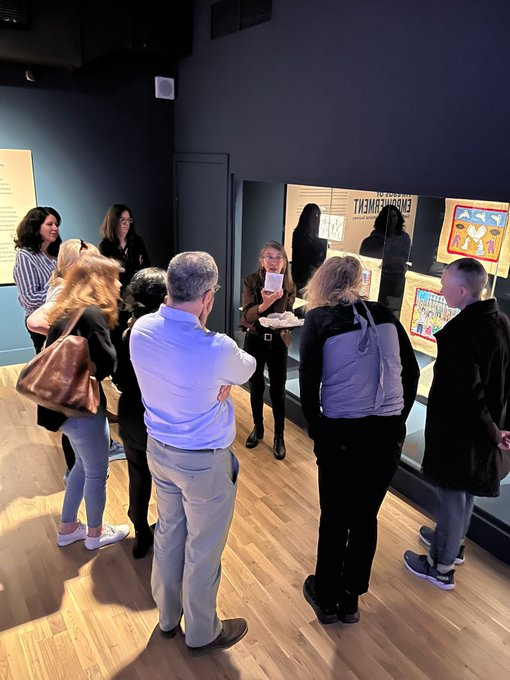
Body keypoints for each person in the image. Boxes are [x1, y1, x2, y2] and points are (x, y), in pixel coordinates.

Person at [130, 251, 256, 655]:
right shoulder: (216, 347)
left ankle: (168, 618)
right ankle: (202, 631)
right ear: (207, 298)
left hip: (159, 452)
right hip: (203, 463)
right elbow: (248, 366)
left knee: (169, 533)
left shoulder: (142, 329)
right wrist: (224, 382)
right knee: (203, 547)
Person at [299, 255, 419, 624]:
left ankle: (325, 594)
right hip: (385, 434)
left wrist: (318, 430)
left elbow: (308, 383)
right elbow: (411, 372)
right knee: (366, 516)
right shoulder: (385, 314)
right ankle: (351, 599)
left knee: (335, 515)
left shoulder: (318, 319)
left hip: (342, 433)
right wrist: (396, 419)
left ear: (322, 282)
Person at [403, 258, 510, 589]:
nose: (440, 288)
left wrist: (492, 432)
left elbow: (469, 395)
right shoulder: (499, 321)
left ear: (463, 291)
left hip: (462, 431)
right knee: (465, 491)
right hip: (484, 429)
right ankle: (452, 544)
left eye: (445, 284)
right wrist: (498, 429)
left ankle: (441, 565)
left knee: (452, 493)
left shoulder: (463, 334)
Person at [38, 254, 130, 550]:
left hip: (61, 408)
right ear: (99, 281)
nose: (118, 284)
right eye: (114, 278)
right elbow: (107, 364)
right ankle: (95, 533)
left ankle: (68, 527)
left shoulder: (68, 311)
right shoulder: (91, 315)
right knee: (97, 471)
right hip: (82, 407)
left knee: (81, 464)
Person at [27, 238, 126, 472]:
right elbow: (34, 320)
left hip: (72, 381)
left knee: (76, 434)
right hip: (76, 380)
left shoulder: (68, 290)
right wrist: (66, 342)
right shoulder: (68, 291)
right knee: (94, 470)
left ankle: (77, 467)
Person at [115, 267, 167, 559]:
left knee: (137, 474)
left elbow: (120, 377)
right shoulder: (161, 332)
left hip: (130, 412)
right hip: (155, 415)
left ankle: (140, 533)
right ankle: (167, 536)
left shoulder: (126, 329)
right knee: (166, 481)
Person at [240, 240, 296, 460]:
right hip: (255, 340)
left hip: (278, 341)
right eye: (269, 257)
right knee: (256, 386)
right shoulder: (251, 281)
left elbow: (285, 317)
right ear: (262, 261)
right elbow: (247, 316)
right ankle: (258, 428)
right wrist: (264, 303)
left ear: (284, 262)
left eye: (278, 257)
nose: (273, 262)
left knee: (278, 390)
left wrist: (279, 298)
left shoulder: (289, 285)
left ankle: (279, 436)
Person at [13, 206, 62, 353]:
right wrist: (60, 293)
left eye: (56, 224)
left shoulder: (54, 255)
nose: (55, 228)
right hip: (41, 319)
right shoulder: (25, 256)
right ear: (35, 227)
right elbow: (29, 298)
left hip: (58, 317)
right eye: (49, 224)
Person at [359, 205, 411, 313]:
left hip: (396, 278)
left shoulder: (404, 237)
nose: (392, 219)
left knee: (389, 309)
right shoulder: (375, 236)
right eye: (389, 217)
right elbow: (371, 258)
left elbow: (403, 259)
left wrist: (390, 260)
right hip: (380, 277)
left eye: (394, 216)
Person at [291, 203, 327, 296]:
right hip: (302, 278)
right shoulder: (300, 235)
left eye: (318, 215)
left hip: (312, 276)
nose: (316, 218)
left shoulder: (316, 235)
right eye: (314, 215)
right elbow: (305, 259)